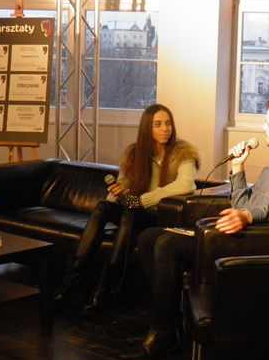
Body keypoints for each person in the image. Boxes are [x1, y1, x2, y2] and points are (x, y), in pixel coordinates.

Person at [124, 96, 269, 360]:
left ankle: (162, 333)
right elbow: (242, 203)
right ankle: (170, 322)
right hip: (240, 234)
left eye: (267, 123)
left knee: (167, 244)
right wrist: (238, 168)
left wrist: (247, 216)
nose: (263, 129)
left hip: (256, 245)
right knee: (148, 237)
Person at [53, 103, 200, 311]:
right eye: (158, 124)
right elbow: (123, 185)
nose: (165, 129)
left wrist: (142, 201)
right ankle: (74, 278)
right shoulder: (135, 153)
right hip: (135, 210)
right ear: (147, 128)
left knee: (129, 214)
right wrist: (117, 194)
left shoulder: (184, 153)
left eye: (168, 124)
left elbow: (185, 185)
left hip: (161, 217)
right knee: (103, 207)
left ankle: (107, 287)